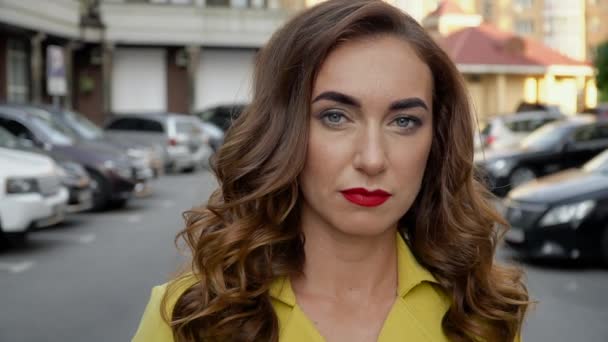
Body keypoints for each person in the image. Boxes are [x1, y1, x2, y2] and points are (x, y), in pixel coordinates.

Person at [132, 1, 530, 341]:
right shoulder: (189, 317)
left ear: (435, 141)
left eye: (404, 121)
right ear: (283, 132)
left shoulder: (481, 317)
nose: (372, 159)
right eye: (336, 116)